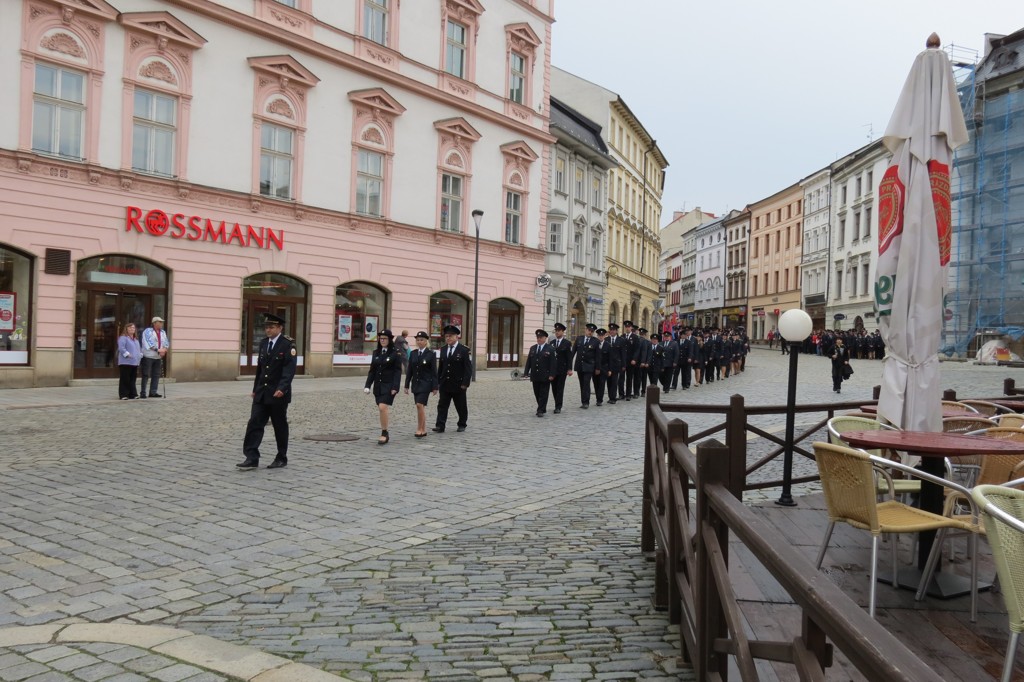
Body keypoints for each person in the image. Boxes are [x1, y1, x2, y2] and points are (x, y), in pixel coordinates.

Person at [239, 313, 296, 470]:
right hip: (262, 392)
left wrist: (282, 388)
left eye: (271, 327)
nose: (268, 330)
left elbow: (289, 370)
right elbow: (260, 369)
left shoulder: (287, 345)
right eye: (266, 327)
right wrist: (255, 389)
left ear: (280, 328)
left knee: (279, 425)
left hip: (278, 394)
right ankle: (251, 457)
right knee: (254, 423)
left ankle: (281, 456)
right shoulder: (264, 343)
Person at [364, 329, 402, 445]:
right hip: (378, 385)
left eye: (385, 338)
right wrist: (367, 385)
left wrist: (395, 387)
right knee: (381, 409)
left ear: (390, 340)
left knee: (382, 407)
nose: (383, 340)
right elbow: (372, 371)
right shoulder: (376, 352)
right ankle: (384, 429)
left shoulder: (395, 352)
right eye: (381, 338)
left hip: (389, 385)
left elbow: (397, 371)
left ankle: (384, 433)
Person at [434, 324, 472, 433]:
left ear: (456, 337)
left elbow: (468, 368)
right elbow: (441, 367)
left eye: (450, 336)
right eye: (446, 336)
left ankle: (462, 424)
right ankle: (440, 425)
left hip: (458, 384)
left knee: (460, 405)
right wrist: (438, 382)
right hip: (445, 383)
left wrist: (465, 383)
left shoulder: (464, 350)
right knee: (442, 406)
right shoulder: (443, 349)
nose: (448, 338)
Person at [404, 331, 438, 438]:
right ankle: (423, 429)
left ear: (426, 341)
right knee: (420, 406)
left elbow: (434, 372)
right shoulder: (413, 353)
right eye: (418, 340)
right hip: (416, 383)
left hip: (426, 383)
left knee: (419, 404)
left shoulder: (431, 354)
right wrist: (406, 385)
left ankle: (419, 428)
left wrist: (435, 387)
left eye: (422, 340)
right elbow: (410, 370)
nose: (419, 342)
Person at [523, 329, 557, 416]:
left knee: (544, 393)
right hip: (535, 375)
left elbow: (553, 363)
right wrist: (526, 372)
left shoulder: (550, 349)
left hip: (545, 375)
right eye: (537, 337)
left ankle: (540, 410)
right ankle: (542, 407)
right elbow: (529, 361)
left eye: (540, 337)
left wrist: (552, 374)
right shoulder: (533, 348)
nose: (538, 339)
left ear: (545, 338)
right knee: (537, 393)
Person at [572, 323, 601, 408]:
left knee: (586, 383)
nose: (590, 332)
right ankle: (583, 401)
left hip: (589, 366)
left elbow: (598, 356)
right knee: (582, 384)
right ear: (586, 330)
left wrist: (597, 368)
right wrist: (569, 365)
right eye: (589, 330)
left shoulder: (596, 341)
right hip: (579, 365)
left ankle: (586, 402)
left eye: (592, 331)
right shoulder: (579, 339)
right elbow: (573, 352)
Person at [140, 316, 169, 398]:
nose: (161, 324)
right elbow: (148, 342)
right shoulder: (148, 331)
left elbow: (166, 342)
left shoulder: (163, 332)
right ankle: (143, 392)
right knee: (146, 374)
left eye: (162, 322)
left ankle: (153, 392)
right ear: (154, 323)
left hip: (158, 357)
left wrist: (164, 350)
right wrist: (158, 350)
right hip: (148, 356)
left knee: (156, 374)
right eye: (160, 322)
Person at [550, 322, 572, 413]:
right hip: (553, 370)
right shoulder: (552, 343)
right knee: (554, 388)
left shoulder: (567, 343)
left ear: (563, 332)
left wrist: (569, 369)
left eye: (559, 331)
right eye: (556, 331)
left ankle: (558, 406)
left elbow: (569, 357)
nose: (557, 332)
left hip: (562, 370)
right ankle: (557, 403)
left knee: (560, 388)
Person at [117, 322, 142, 400]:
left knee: (132, 379)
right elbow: (121, 348)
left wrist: (140, 355)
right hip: (125, 362)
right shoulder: (123, 338)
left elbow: (138, 349)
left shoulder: (136, 339)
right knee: (125, 379)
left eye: (133, 328)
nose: (132, 329)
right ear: (126, 329)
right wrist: (127, 354)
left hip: (134, 362)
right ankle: (123, 394)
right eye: (130, 327)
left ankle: (133, 394)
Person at [605, 323, 624, 404]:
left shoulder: (621, 340)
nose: (612, 331)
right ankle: (610, 397)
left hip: (617, 364)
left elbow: (623, 354)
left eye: (613, 330)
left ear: (616, 331)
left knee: (614, 381)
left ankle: (613, 398)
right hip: (607, 365)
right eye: (611, 330)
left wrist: (623, 365)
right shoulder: (606, 340)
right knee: (609, 381)